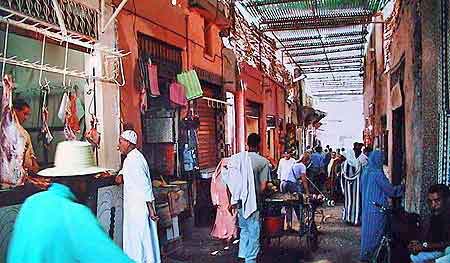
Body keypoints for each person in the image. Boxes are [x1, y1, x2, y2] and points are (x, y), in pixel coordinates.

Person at [7, 141, 133, 263]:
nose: (89, 188)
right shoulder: (75, 214)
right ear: (80, 182)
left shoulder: (31, 204)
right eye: (89, 180)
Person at [223, 133, 270, 263]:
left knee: (244, 230)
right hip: (252, 202)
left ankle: (242, 254)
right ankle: (250, 260)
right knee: (254, 232)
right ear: (259, 144)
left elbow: (230, 182)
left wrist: (232, 199)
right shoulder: (263, 162)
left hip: (239, 201)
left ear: (246, 144)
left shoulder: (237, 159)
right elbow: (263, 186)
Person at [116, 130, 161, 263]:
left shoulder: (134, 160)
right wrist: (120, 175)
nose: (118, 146)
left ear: (128, 143)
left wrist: (151, 209)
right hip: (134, 208)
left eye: (120, 142)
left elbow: (145, 186)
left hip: (139, 208)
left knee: (139, 241)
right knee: (137, 240)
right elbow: (121, 177)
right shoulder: (132, 158)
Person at [359, 150, 405, 262]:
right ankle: (372, 257)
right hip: (377, 210)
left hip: (367, 208)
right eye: (382, 159)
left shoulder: (366, 172)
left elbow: (361, 190)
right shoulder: (378, 174)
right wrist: (402, 187)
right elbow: (390, 191)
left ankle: (365, 256)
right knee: (376, 235)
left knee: (367, 234)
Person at [408, 184, 450, 263]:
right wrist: (416, 244)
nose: (433, 205)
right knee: (414, 257)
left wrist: (425, 246)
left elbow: (447, 243)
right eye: (430, 201)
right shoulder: (432, 217)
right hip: (438, 253)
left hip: (446, 255)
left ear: (447, 200)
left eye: (437, 201)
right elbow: (426, 239)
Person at [280, 153, 311, 230]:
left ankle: (288, 225)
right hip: (290, 184)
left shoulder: (294, 163)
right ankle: (302, 224)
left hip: (283, 184)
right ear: (306, 160)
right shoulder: (302, 166)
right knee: (298, 204)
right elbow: (304, 180)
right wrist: (307, 192)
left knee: (288, 205)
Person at [340, 145, 366, 225]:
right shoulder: (359, 164)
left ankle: (348, 218)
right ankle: (356, 219)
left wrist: (343, 189)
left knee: (348, 202)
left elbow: (341, 178)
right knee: (357, 203)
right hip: (357, 188)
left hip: (347, 187)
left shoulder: (344, 165)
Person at [13, 97, 39, 174]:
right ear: (15, 111)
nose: (26, 118)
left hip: (26, 175)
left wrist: (34, 165)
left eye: (28, 115)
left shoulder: (25, 133)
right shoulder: (4, 130)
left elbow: (31, 153)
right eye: (24, 114)